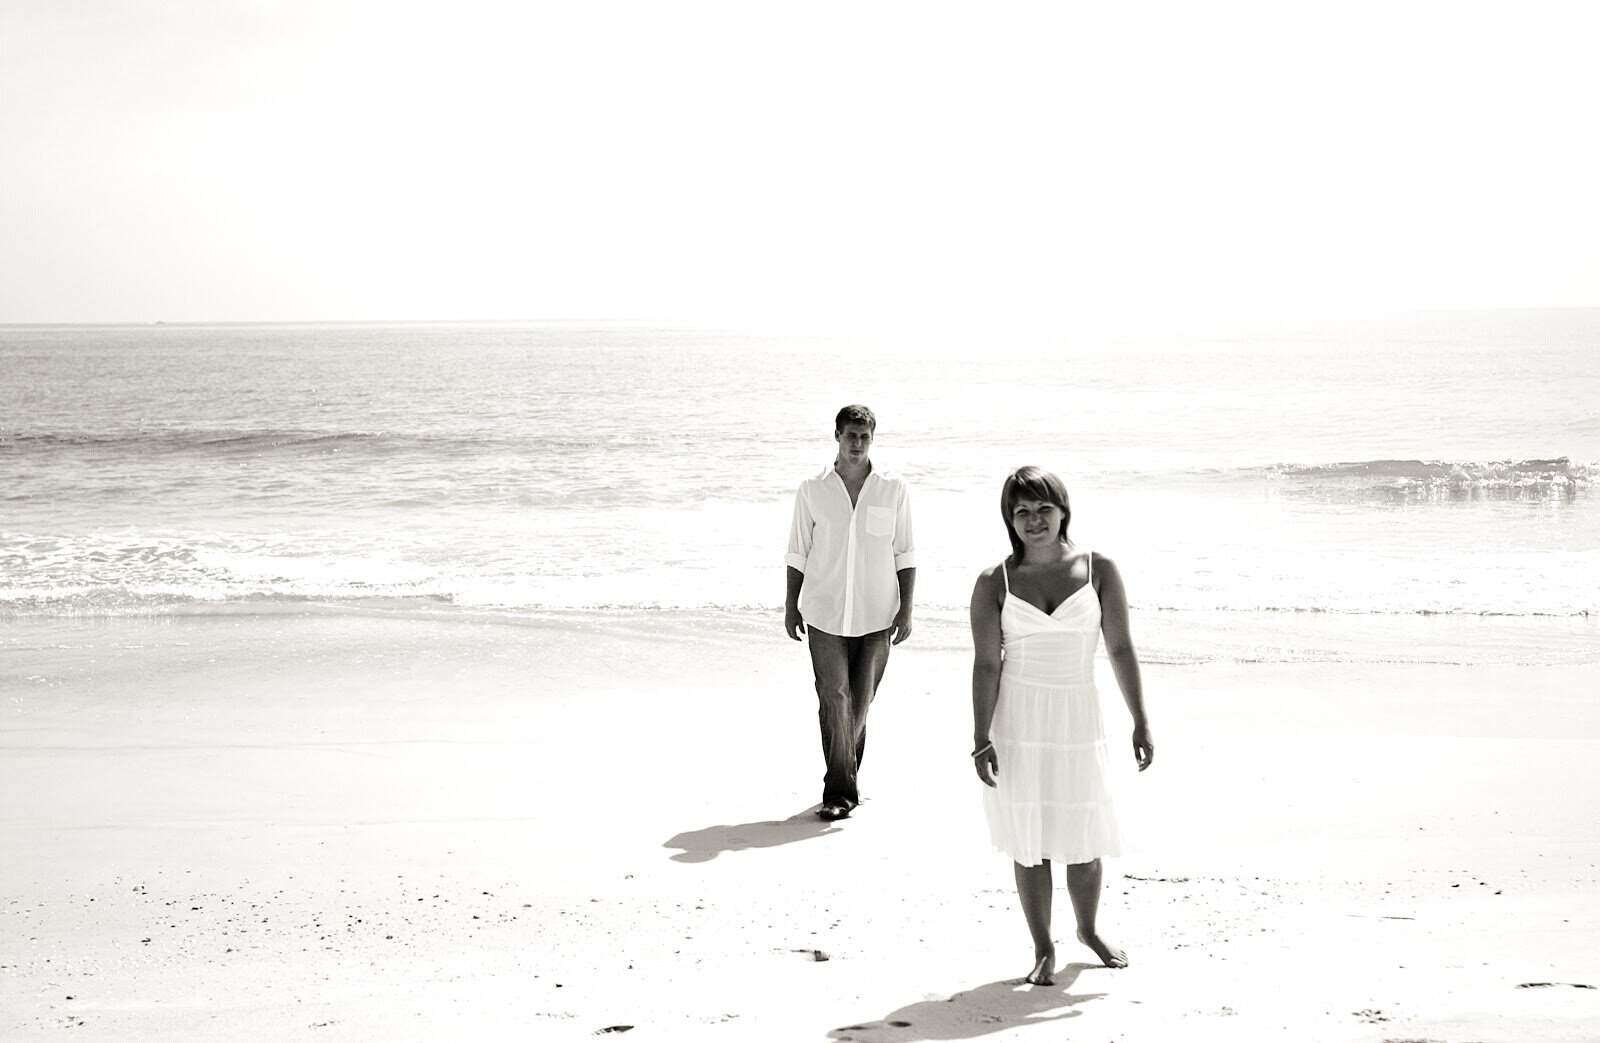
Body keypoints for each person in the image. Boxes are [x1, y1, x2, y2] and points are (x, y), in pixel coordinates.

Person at [969, 466, 1153, 985]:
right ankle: (1043, 947)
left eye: (1043, 509)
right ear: (1009, 518)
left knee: (1084, 833)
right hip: (1018, 719)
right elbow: (986, 664)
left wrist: (1140, 719)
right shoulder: (993, 581)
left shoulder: (1099, 570)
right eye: (1021, 511)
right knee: (1030, 840)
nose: (1034, 520)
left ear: (1063, 510)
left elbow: (1119, 648)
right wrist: (980, 737)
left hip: (1077, 714)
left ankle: (1088, 930)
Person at [784, 405, 916, 821]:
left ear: (872, 439)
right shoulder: (812, 489)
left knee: (860, 702)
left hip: (878, 613)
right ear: (837, 436)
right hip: (824, 610)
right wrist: (791, 605)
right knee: (834, 697)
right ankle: (838, 791)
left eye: (864, 436)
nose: (857, 443)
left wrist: (907, 610)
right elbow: (797, 551)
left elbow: (905, 553)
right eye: (850, 436)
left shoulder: (893, 490)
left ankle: (847, 775)